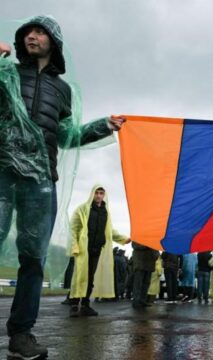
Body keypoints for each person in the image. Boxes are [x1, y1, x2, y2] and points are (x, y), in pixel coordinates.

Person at [0, 16, 125, 359]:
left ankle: (21, 335)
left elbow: (69, 136)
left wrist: (104, 126)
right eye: (28, 32)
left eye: (40, 32)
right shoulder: (7, 73)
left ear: (53, 41)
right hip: (2, 173)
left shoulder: (63, 90)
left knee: (33, 259)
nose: (32, 36)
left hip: (41, 181)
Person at [69, 186, 130, 317]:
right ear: (92, 194)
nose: (98, 195)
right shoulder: (83, 209)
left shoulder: (105, 212)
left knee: (90, 277)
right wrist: (75, 246)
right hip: (83, 249)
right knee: (79, 276)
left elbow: (109, 231)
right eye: (96, 193)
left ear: (104, 195)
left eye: (101, 193)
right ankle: (74, 304)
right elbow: (74, 228)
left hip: (96, 250)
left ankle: (85, 304)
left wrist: (124, 239)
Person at [131, 242, 160, 309]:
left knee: (146, 283)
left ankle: (142, 300)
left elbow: (156, 254)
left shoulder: (152, 240)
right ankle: (136, 301)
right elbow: (135, 246)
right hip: (140, 264)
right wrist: (148, 244)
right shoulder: (137, 237)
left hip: (149, 264)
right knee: (138, 283)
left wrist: (154, 250)